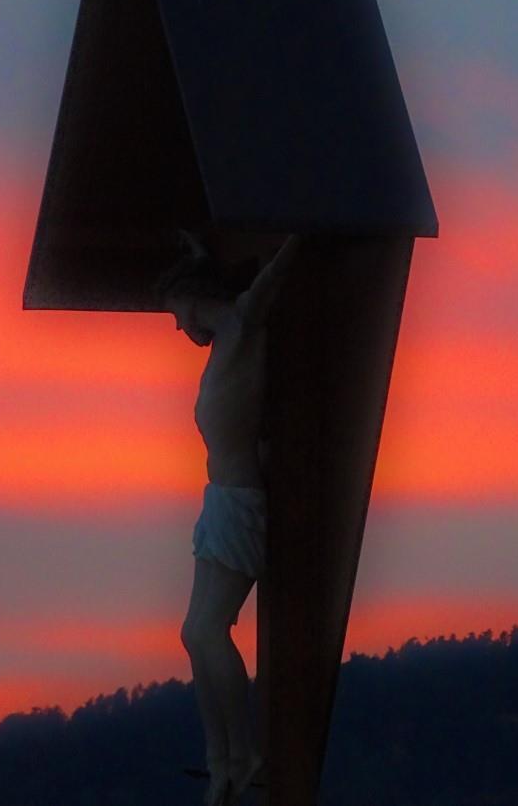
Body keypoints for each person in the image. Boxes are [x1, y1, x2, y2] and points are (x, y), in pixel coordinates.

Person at [156, 230, 301, 806]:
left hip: (239, 502)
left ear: (195, 301)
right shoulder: (222, 345)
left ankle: (243, 753)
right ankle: (222, 759)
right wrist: (195, 255)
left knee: (209, 630)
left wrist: (304, 230)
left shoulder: (242, 325)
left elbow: (272, 279)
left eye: (177, 313)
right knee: (193, 633)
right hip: (219, 499)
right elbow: (210, 282)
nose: (178, 327)